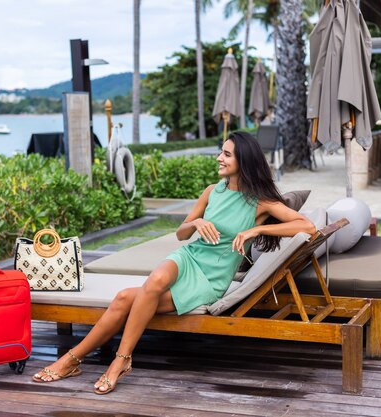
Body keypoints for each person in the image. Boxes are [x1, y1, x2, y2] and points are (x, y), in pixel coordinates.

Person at [32, 131, 316, 394]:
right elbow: (181, 233)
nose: (219, 157)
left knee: (123, 299)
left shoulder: (259, 202)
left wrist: (257, 229)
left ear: (245, 160)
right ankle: (120, 359)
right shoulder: (211, 191)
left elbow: (308, 227)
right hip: (189, 256)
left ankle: (76, 360)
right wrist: (197, 222)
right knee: (154, 281)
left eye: (227, 154)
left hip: (211, 278)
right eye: (221, 152)